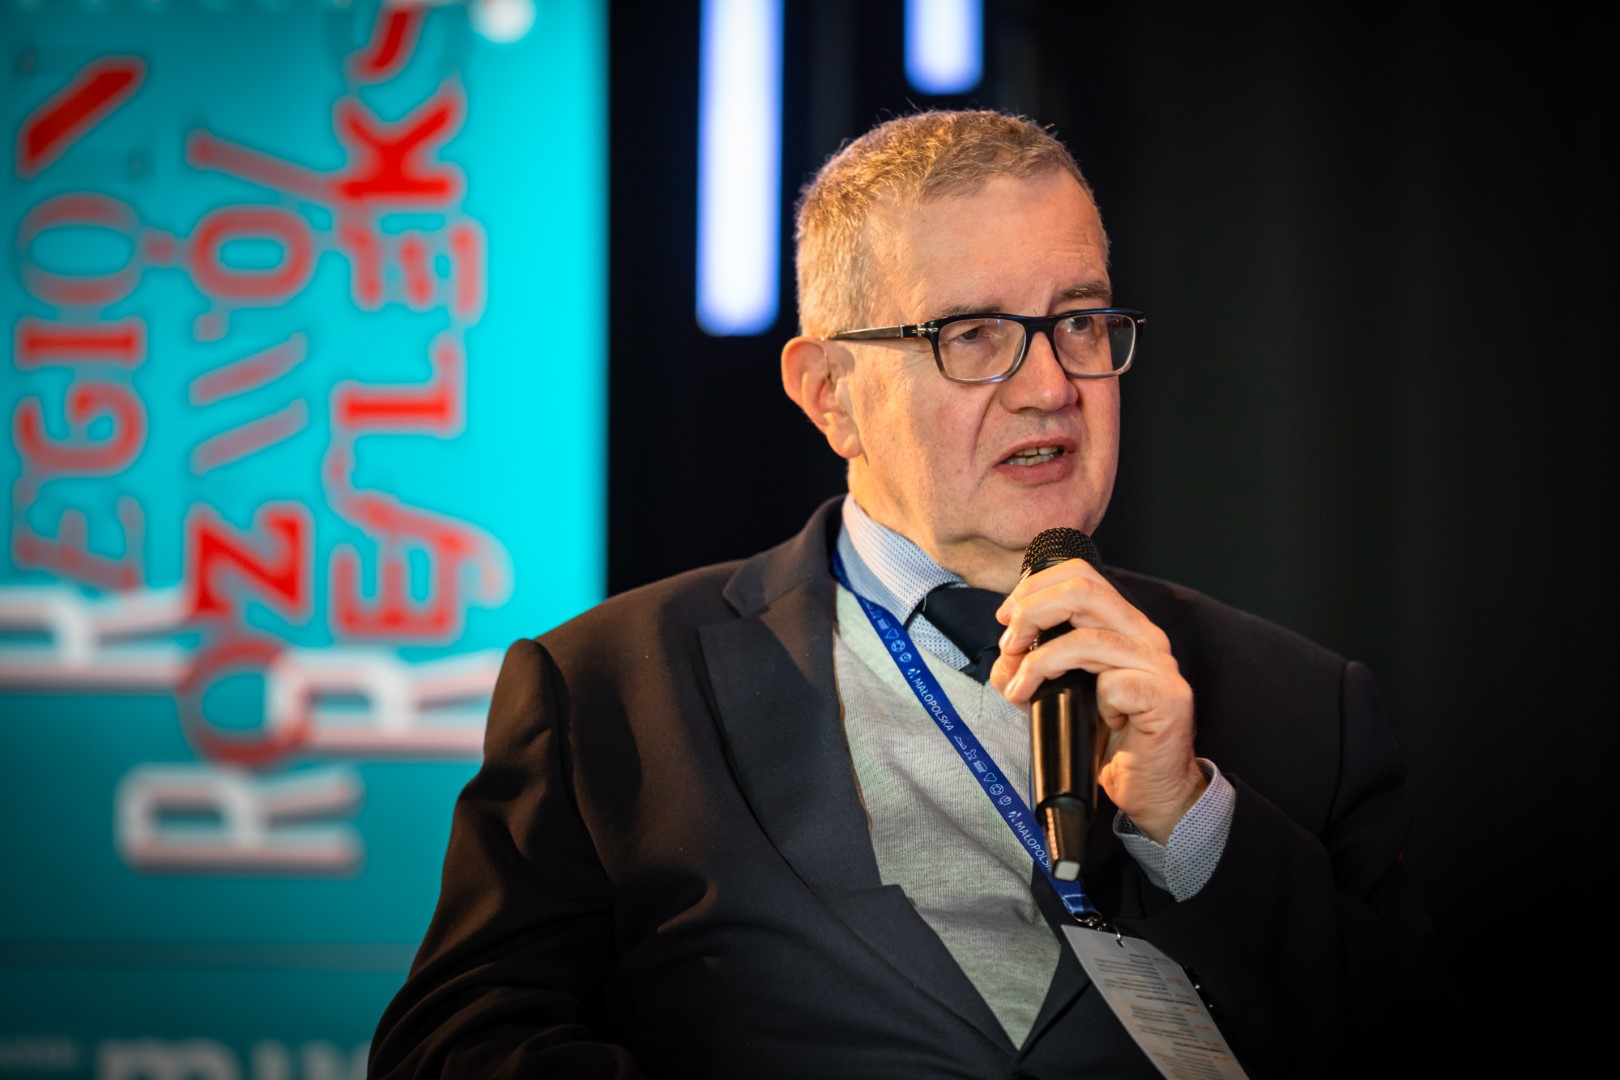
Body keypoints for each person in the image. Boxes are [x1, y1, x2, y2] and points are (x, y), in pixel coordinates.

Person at [368, 109, 1455, 1078]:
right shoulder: (611, 689)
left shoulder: (1306, 706)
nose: (1050, 387)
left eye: (1080, 322)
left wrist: (1192, 820)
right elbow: (452, 1046)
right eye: (973, 336)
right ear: (830, 394)